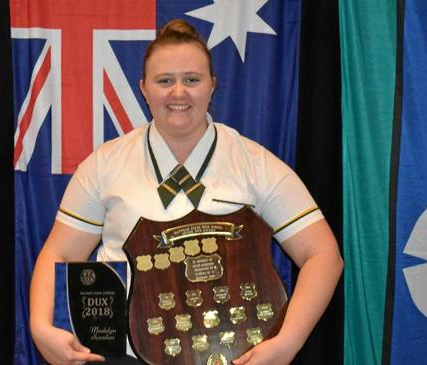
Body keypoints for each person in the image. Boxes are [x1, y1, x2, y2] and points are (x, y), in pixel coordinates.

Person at [29, 19, 343, 365]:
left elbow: (323, 255)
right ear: (144, 89)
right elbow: (58, 252)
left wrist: (288, 342)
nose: (178, 93)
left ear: (212, 86)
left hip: (236, 355)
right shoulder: (105, 165)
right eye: (165, 81)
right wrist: (41, 327)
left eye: (192, 80)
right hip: (128, 354)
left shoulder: (254, 163)